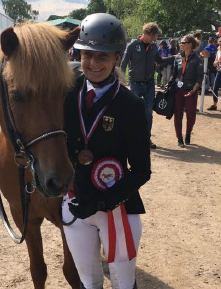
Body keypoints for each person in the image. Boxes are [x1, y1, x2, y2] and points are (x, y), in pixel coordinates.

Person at [62, 13, 151, 289]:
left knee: (124, 283)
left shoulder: (131, 105)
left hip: (117, 207)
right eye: (87, 54)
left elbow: (142, 171)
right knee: (89, 282)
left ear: (116, 58)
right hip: (75, 205)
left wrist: (102, 202)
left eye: (102, 56)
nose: (92, 63)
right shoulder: (66, 92)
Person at [120, 22, 174, 149]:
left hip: (150, 84)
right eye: (153, 36)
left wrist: (175, 57)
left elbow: (159, 61)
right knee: (133, 111)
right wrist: (120, 80)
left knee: (148, 112)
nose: (154, 39)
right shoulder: (133, 46)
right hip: (135, 84)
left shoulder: (154, 47)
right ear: (146, 33)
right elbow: (123, 64)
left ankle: (146, 138)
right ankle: (131, 137)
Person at [171, 35, 203, 147]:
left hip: (191, 91)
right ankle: (179, 138)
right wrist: (170, 83)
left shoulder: (197, 59)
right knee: (178, 114)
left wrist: (194, 90)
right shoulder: (178, 57)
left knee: (191, 113)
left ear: (190, 44)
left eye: (184, 42)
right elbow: (174, 74)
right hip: (178, 90)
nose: (181, 44)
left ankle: (188, 132)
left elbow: (200, 78)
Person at [207, 36, 221, 112]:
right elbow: (214, 63)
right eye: (219, 41)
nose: (220, 43)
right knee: (215, 87)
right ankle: (215, 104)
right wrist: (215, 63)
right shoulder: (218, 51)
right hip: (219, 71)